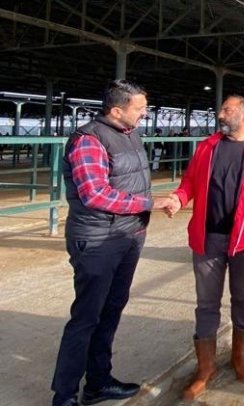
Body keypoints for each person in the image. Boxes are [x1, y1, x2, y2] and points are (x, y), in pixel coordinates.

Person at [51, 79, 172, 406]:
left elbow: (132, 181)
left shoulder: (130, 134)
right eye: (140, 108)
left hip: (127, 236)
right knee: (87, 317)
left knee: (111, 311)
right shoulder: (89, 140)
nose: (145, 113)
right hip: (98, 240)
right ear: (117, 110)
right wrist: (150, 204)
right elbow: (95, 193)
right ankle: (64, 396)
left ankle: (98, 383)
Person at [163, 95, 244, 400]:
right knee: (206, 302)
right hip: (208, 237)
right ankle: (205, 368)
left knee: (243, 298)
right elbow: (189, 180)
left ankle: (238, 355)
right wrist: (179, 197)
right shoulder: (207, 146)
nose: (220, 114)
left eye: (226, 110)